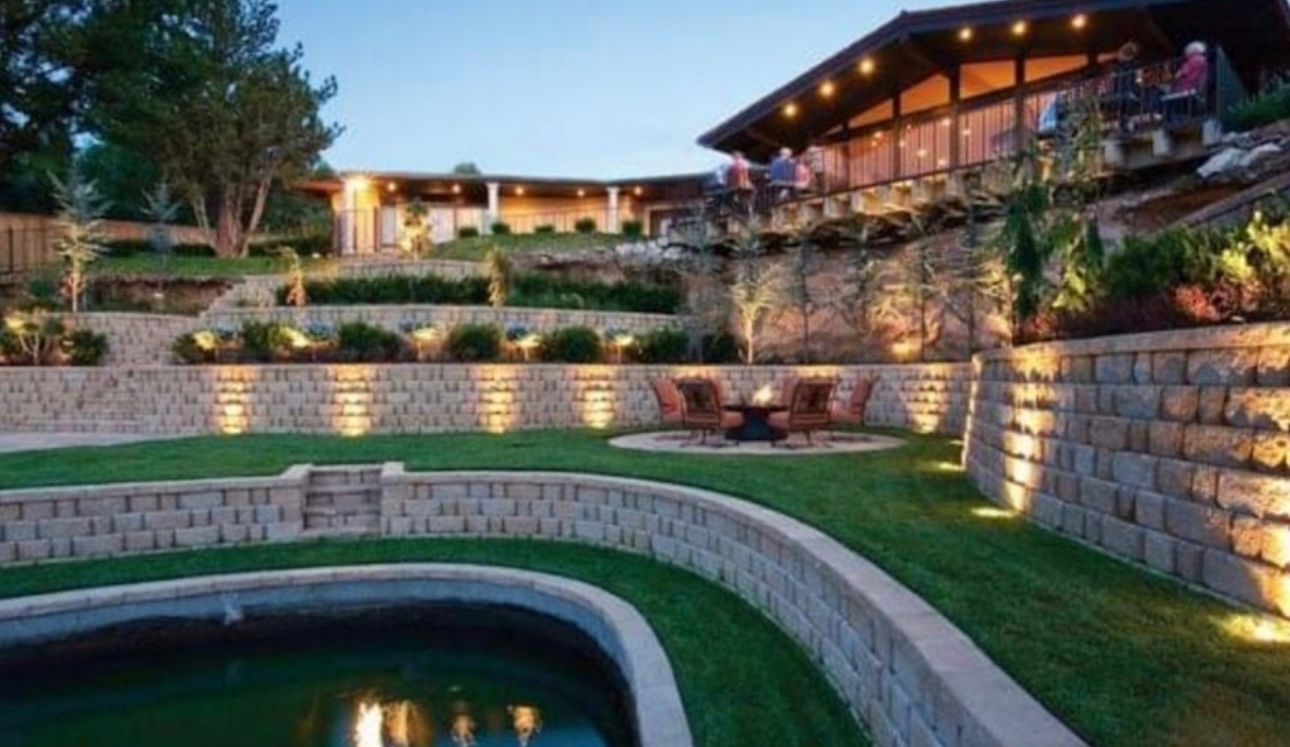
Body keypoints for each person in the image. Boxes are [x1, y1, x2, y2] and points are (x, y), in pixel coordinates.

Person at [1164, 41, 1209, 123]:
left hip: (1184, 90)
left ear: (1192, 51)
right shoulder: (1204, 61)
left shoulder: (1192, 60)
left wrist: (1168, 71)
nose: (1185, 55)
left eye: (1187, 52)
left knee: (1166, 99)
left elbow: (1179, 75)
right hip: (1196, 90)